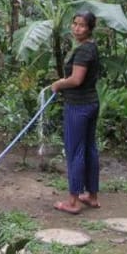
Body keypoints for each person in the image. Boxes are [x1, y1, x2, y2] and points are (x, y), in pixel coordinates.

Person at [49, 11, 101, 214]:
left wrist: (58, 84)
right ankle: (92, 196)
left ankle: (73, 202)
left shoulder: (83, 51)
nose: (76, 28)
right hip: (91, 103)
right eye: (75, 24)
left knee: (75, 151)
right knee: (89, 149)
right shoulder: (91, 48)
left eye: (81, 25)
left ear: (89, 29)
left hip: (78, 106)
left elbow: (76, 80)